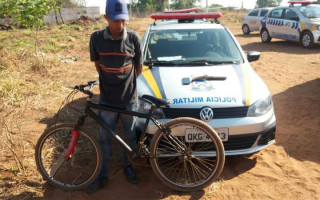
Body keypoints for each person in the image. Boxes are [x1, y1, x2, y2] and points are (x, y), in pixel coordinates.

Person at [88, 0, 143, 194]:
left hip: (129, 99)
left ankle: (128, 168)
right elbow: (97, 64)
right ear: (106, 18)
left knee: (129, 136)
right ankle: (102, 175)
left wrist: (125, 83)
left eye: (123, 21)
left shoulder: (134, 38)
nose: (120, 25)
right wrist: (111, 83)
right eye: (116, 20)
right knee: (105, 137)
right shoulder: (96, 38)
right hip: (107, 100)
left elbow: (139, 67)